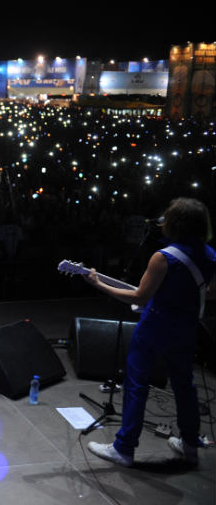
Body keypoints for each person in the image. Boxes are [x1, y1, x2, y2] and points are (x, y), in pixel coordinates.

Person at [85, 197, 215, 467]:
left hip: (155, 327)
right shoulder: (211, 255)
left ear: (174, 223)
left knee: (136, 384)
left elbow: (140, 296)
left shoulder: (163, 257)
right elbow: (210, 293)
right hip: (187, 328)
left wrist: (99, 284)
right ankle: (190, 445)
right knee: (184, 386)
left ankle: (124, 448)